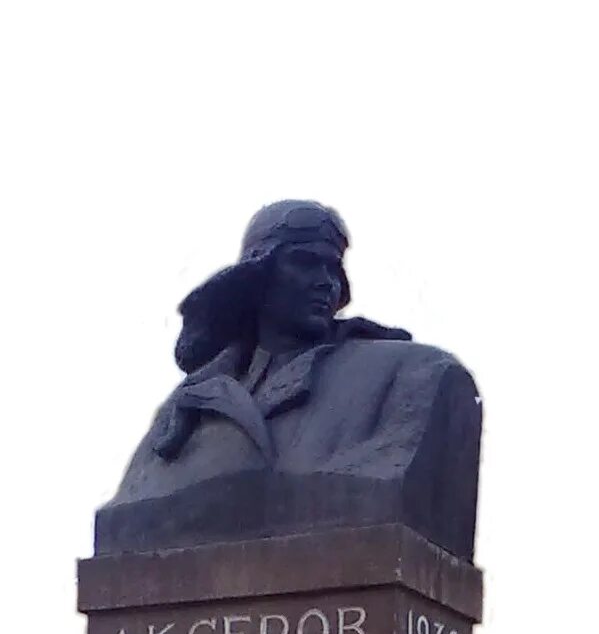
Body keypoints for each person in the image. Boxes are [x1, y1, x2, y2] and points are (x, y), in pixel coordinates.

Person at [96, 201, 481, 559]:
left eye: (333, 269)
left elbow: (390, 485)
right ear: (256, 278)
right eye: (305, 263)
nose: (326, 283)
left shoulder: (412, 375)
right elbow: (128, 513)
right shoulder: (187, 407)